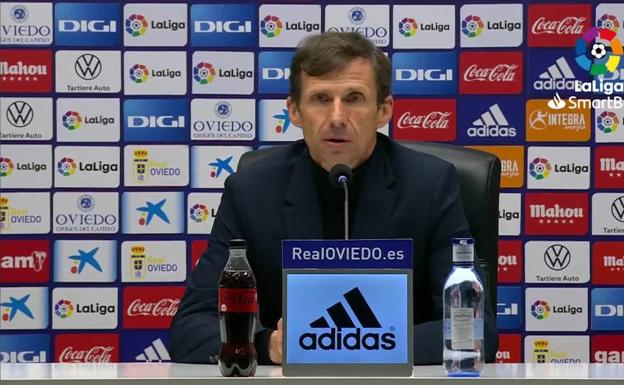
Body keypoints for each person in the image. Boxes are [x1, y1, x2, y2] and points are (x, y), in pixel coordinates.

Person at [169, 31, 497, 365]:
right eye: (321, 99)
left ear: (384, 110)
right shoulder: (252, 191)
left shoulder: (429, 186)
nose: (337, 117)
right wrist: (268, 345)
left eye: (354, 98)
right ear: (294, 111)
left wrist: (349, 344)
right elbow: (190, 328)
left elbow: (472, 327)